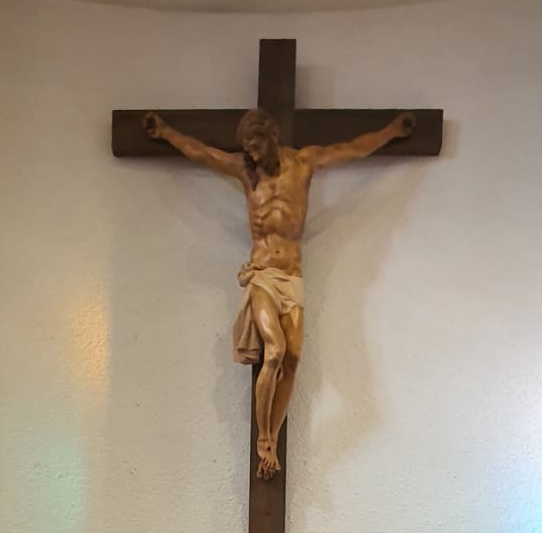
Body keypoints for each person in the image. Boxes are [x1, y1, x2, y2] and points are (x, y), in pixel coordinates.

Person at [142, 104, 414, 478]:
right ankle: (265, 441)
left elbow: (351, 149)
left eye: (255, 146)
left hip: (292, 277)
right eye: (247, 149)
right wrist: (165, 133)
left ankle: (273, 430)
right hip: (263, 276)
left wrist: (391, 132)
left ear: (271, 137)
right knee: (274, 350)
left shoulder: (304, 164)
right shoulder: (246, 172)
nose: (251, 155)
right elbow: (203, 153)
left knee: (293, 358)